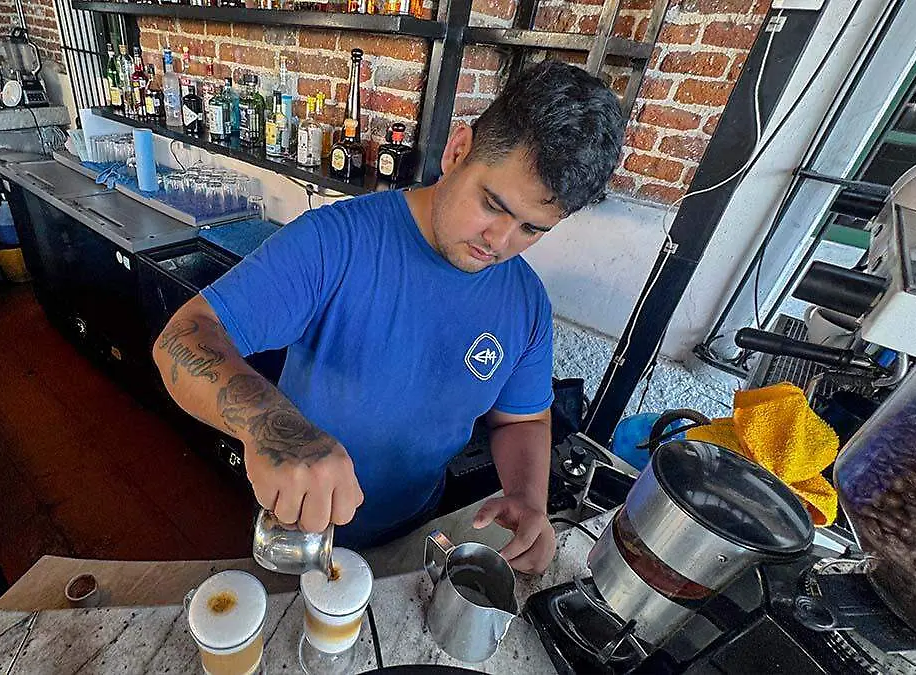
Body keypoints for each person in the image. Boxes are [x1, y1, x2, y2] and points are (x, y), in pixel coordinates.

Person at [152, 61, 624, 573]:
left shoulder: (526, 302)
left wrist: (530, 498)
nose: (500, 242)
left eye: (532, 230)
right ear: (458, 151)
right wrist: (272, 426)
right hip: (303, 533)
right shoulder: (335, 242)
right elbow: (183, 335)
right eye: (492, 205)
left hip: (423, 530)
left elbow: (522, 418)